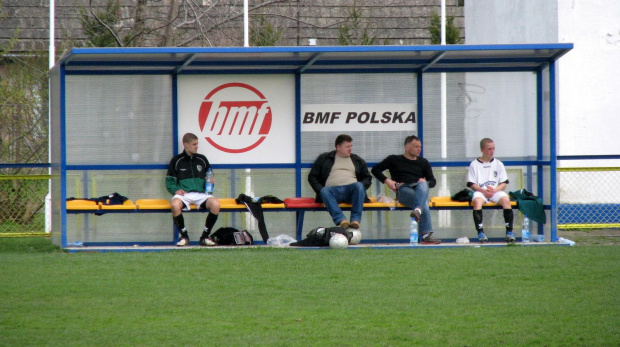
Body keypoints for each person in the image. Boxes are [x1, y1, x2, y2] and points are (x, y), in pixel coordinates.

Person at [372, 135, 440, 244]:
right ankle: (426, 235)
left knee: (423, 186)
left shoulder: (423, 162)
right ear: (407, 147)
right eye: (416, 146)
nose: (419, 149)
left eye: (420, 146)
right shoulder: (394, 159)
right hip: (403, 188)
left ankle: (417, 210)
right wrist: (388, 181)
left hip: (419, 188)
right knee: (424, 202)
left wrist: (425, 182)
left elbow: (433, 182)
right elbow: (375, 170)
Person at [166, 133, 220, 246]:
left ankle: (205, 237)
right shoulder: (176, 161)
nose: (197, 146)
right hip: (184, 194)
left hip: (201, 194)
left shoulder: (202, 159)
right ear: (185, 145)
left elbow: (210, 177)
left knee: (215, 204)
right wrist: (176, 190)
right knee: (175, 205)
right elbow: (169, 182)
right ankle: (184, 236)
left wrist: (210, 182)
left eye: (197, 144)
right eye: (194, 144)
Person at [308, 134, 372, 230]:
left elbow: (367, 178)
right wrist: (320, 191)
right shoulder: (324, 158)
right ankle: (342, 220)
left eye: (351, 146)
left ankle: (355, 220)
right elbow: (312, 177)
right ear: (338, 147)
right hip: (332, 192)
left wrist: (361, 189)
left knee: (359, 186)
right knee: (324, 191)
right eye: (347, 146)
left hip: (352, 191)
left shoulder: (357, 160)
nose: (350, 149)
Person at [467, 138, 515, 243]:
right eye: (489, 149)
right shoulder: (474, 164)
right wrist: (483, 191)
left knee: (506, 200)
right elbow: (471, 184)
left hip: (494, 191)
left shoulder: (498, 164)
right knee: (477, 201)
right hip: (481, 191)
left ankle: (509, 233)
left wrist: (494, 190)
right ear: (482, 150)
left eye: (493, 148)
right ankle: (480, 233)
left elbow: (503, 183)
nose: (492, 151)